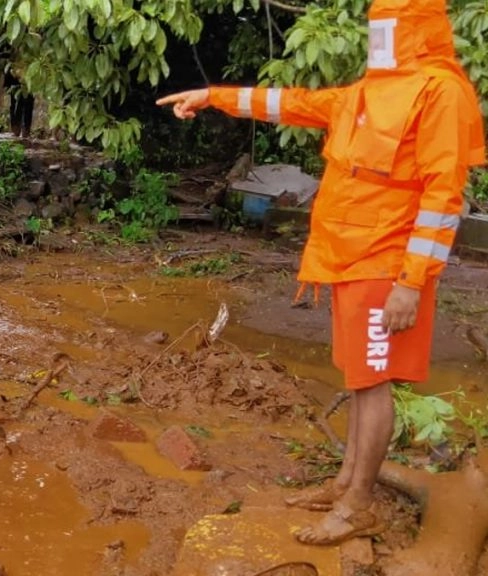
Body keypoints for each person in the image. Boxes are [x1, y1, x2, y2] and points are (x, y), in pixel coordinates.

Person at [158, 0, 485, 547]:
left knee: (373, 382)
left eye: (387, 26)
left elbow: (442, 197)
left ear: (413, 29)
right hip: (346, 258)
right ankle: (344, 484)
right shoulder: (366, 92)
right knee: (360, 379)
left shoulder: (440, 92)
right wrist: (212, 96)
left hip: (388, 265)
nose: (376, 36)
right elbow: (293, 103)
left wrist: (410, 282)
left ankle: (359, 505)